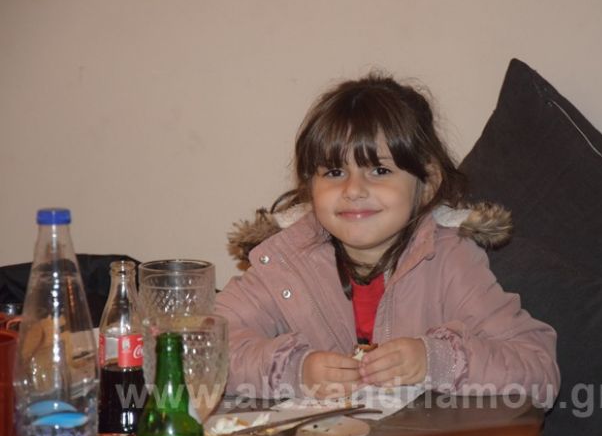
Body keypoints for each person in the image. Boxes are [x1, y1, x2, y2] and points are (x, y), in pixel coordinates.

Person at [216, 74, 560, 402]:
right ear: (310, 186)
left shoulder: (450, 261)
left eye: (379, 170)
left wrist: (435, 362)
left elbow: (538, 369)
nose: (353, 190)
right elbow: (199, 349)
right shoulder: (285, 262)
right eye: (334, 172)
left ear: (428, 184)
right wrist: (293, 371)